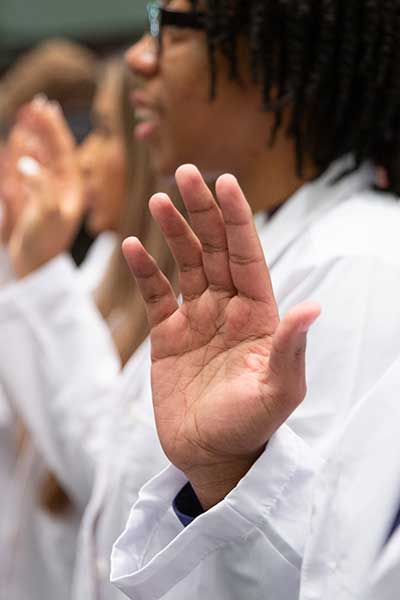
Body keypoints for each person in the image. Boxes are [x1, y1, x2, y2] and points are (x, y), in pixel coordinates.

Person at [105, 1, 400, 598]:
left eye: (170, 28)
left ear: (273, 61)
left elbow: (331, 573)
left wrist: (233, 475)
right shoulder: (281, 249)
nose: (139, 58)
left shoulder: (363, 264)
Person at [0, 58, 176, 599]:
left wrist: (36, 269)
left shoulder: (167, 296)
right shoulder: (103, 269)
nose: (82, 158)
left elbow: (108, 473)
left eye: (102, 132)